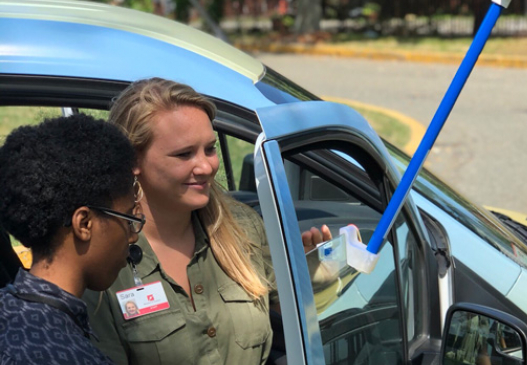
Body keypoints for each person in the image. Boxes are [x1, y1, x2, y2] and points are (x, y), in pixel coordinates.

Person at [83, 77, 331, 365]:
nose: (206, 166)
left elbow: (288, 319)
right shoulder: (104, 258)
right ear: (132, 161)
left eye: (210, 149)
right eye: (184, 154)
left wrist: (311, 271)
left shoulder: (242, 228)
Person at [0, 114, 143, 365]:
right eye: (128, 217)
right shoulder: (69, 355)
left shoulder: (8, 308)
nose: (132, 236)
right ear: (84, 224)